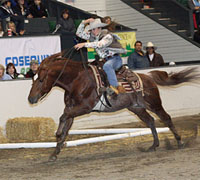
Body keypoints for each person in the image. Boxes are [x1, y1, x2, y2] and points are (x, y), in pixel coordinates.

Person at [75, 18, 127, 94]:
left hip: (115, 59)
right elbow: (78, 33)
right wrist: (85, 22)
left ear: (99, 28)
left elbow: (100, 44)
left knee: (107, 66)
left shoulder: (107, 36)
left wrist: (84, 44)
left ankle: (115, 87)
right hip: (104, 59)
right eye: (91, 30)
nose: (92, 31)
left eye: (94, 29)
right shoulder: (93, 36)